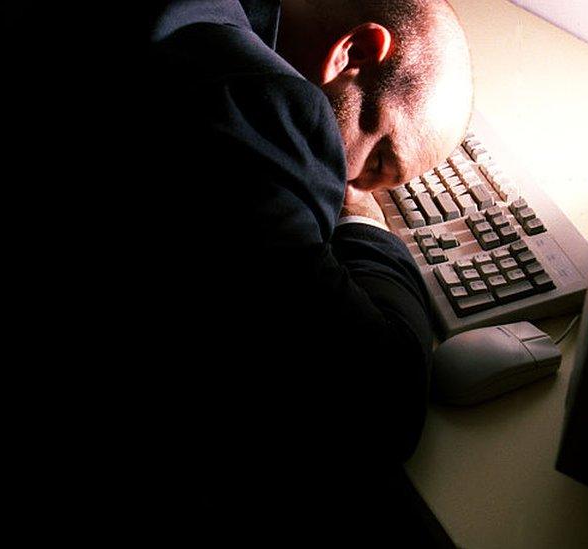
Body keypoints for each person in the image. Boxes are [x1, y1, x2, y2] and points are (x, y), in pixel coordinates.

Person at [136, 0, 472, 542]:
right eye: (380, 160)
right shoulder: (265, 103)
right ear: (355, 53)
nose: (359, 184)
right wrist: (368, 225)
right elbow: (382, 408)